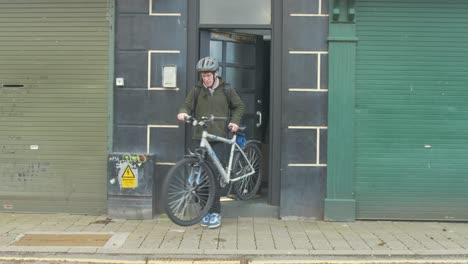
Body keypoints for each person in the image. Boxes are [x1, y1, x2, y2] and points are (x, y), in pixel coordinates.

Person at [177, 56, 245, 229]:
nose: (205, 79)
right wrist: (183, 113)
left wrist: (235, 122)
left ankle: (215, 212)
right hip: (200, 137)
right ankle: (205, 210)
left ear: (215, 74)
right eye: (203, 75)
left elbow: (239, 106)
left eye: (208, 75)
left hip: (218, 137)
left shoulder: (227, 89)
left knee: (213, 176)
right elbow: (187, 105)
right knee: (199, 176)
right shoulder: (197, 90)